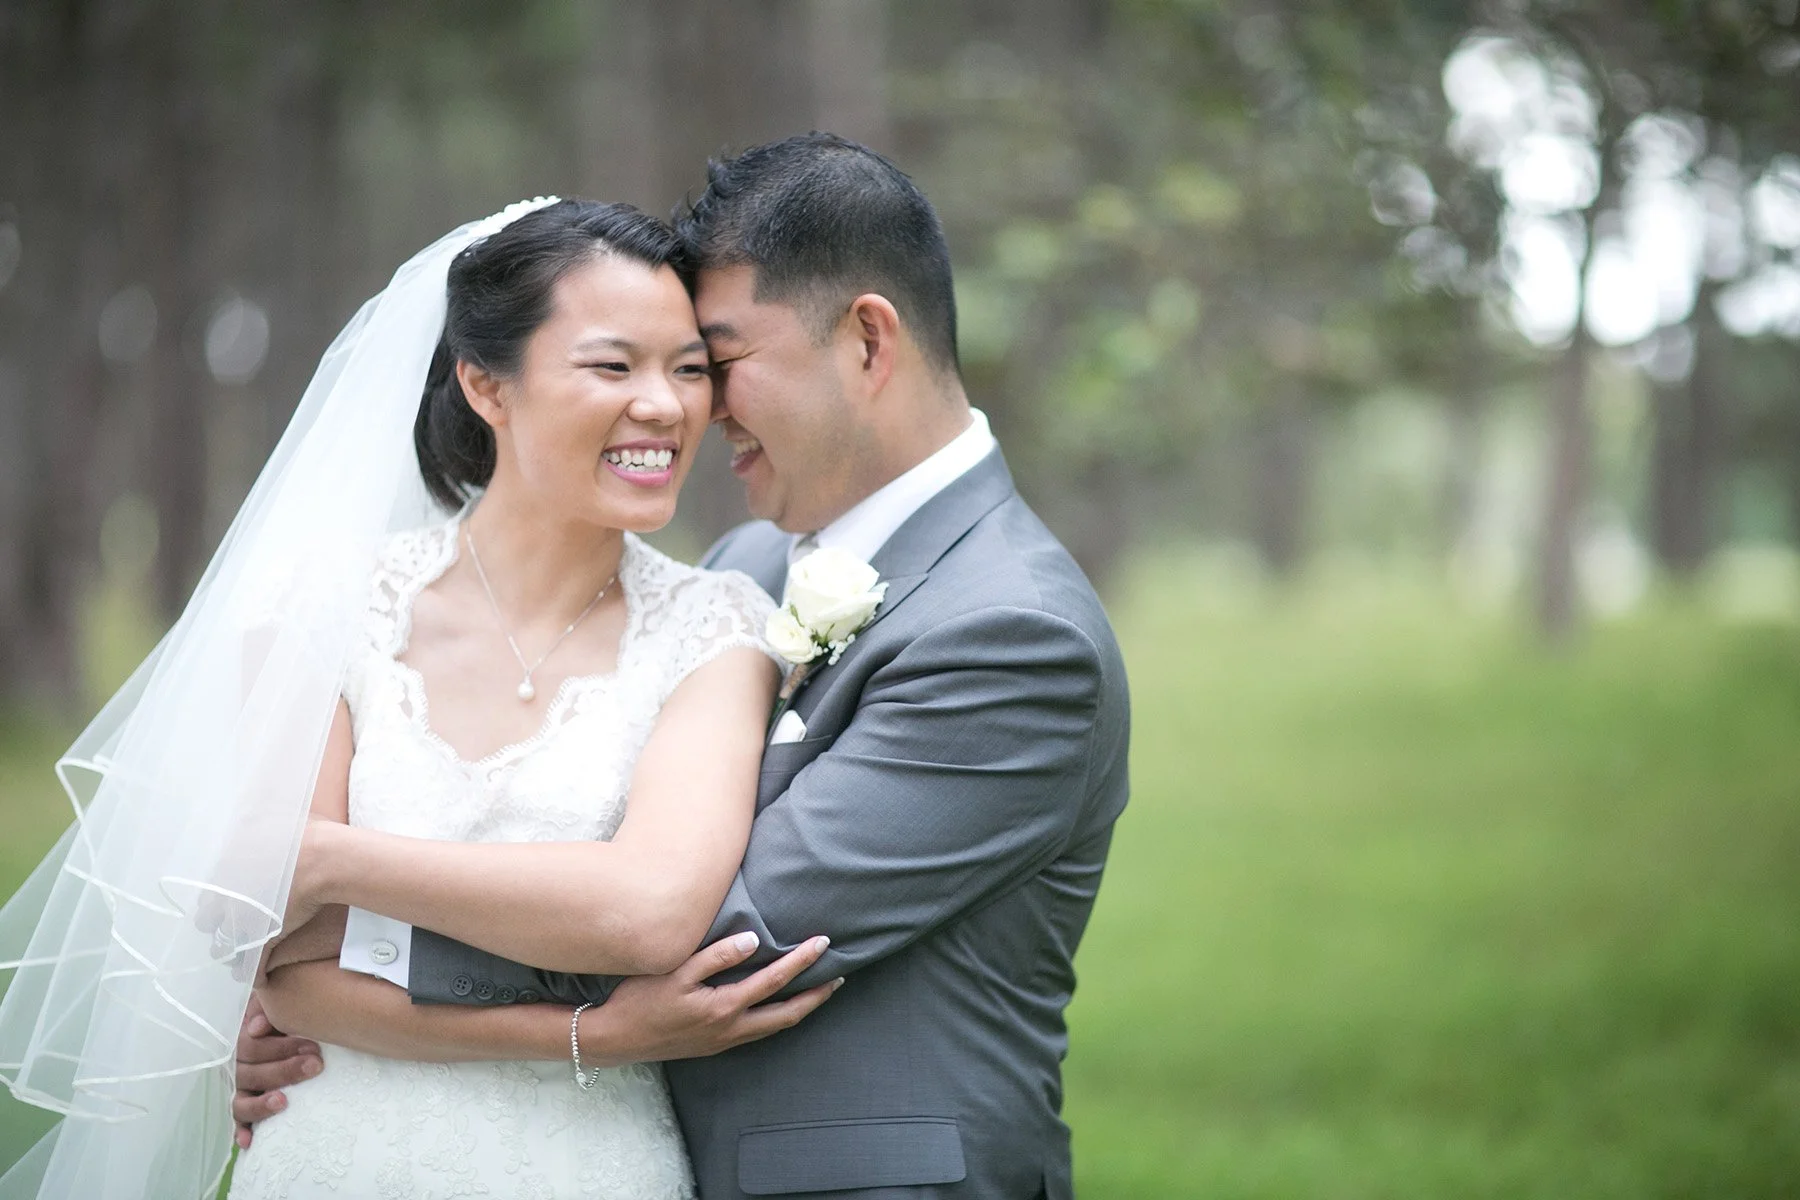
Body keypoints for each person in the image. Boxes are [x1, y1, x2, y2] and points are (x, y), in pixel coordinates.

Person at [240, 133, 1131, 1199]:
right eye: (632, 364)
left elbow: (705, 926)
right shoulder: (750, 565)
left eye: (713, 361)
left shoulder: (1014, 633)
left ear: (866, 342)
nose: (691, 410)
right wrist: (332, 1032)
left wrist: (332, 965)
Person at [0, 198, 836, 1200]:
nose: (664, 406)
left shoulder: (720, 626)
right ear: (486, 384)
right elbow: (295, 977)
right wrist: (590, 1031)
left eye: (690, 369)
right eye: (614, 367)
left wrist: (329, 859)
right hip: (334, 1148)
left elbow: (649, 913)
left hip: (588, 1164)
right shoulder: (323, 604)